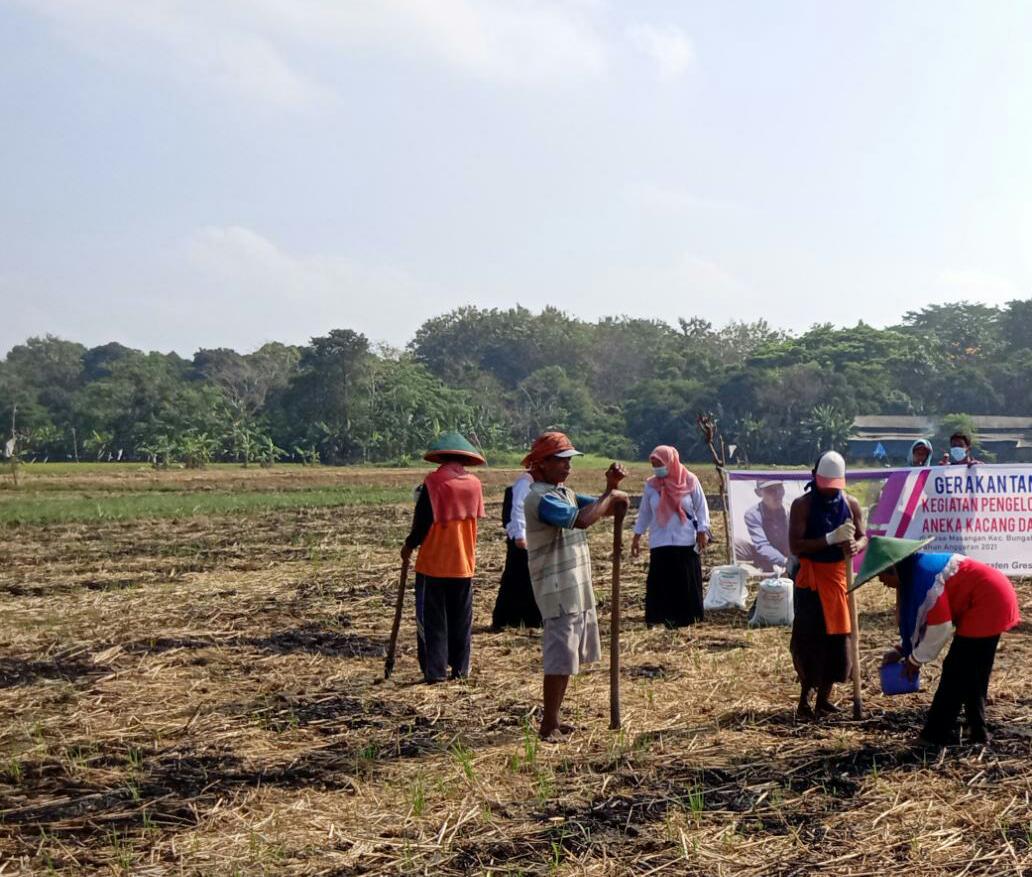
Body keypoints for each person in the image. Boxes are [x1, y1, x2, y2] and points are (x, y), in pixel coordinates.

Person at [852, 536, 1020, 747]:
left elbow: (940, 627)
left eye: (880, 575)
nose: (881, 582)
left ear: (893, 568)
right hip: (992, 598)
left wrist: (915, 659)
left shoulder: (925, 578)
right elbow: (927, 619)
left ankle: (933, 735)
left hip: (987, 602)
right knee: (973, 671)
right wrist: (903, 651)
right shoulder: (916, 573)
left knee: (955, 671)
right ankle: (978, 730)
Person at [522, 432, 628, 740]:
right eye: (560, 461)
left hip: (573, 584)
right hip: (556, 587)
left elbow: (599, 508)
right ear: (541, 465)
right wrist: (610, 492)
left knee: (567, 657)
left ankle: (554, 718)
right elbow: (581, 520)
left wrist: (615, 497)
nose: (567, 467)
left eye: (569, 461)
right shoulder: (541, 498)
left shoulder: (563, 493)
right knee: (559, 656)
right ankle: (548, 724)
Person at [401, 432, 486, 683]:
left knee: (433, 620)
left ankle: (435, 671)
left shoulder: (433, 482)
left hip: (434, 563)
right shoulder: (474, 485)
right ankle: (461, 670)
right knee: (461, 619)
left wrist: (409, 545)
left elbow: (423, 522)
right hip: (463, 562)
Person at [788, 450, 867, 719]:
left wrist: (856, 545)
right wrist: (830, 538)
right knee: (811, 641)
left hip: (838, 580)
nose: (830, 492)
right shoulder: (803, 505)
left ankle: (824, 700)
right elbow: (795, 545)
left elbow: (864, 535)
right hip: (811, 582)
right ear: (814, 477)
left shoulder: (850, 503)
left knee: (838, 641)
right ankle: (804, 702)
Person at [631, 445, 710, 627]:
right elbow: (644, 513)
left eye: (659, 463)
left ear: (670, 461)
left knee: (685, 580)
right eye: (653, 464)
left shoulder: (689, 480)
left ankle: (688, 619)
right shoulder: (651, 485)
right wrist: (637, 536)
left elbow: (701, 507)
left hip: (685, 541)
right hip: (661, 541)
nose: (657, 468)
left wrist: (702, 530)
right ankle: (661, 618)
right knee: (662, 580)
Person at [491, 469, 542, 629]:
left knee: (523, 579)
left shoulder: (542, 481)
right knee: (519, 578)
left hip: (532, 536)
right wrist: (520, 536)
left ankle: (524, 620)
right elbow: (518, 510)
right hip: (522, 538)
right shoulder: (525, 482)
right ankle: (510, 620)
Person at [738, 479, 790, 573]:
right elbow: (762, 545)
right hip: (765, 556)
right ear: (758, 493)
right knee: (737, 545)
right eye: (771, 490)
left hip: (788, 553)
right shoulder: (753, 514)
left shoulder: (790, 510)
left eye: (780, 487)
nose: (777, 494)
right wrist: (785, 562)